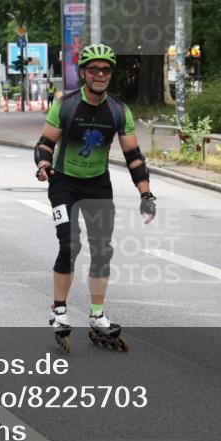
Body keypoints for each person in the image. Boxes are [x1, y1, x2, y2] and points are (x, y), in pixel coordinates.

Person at [34, 43, 157, 352]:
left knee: (103, 251)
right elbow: (45, 142)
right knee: (69, 244)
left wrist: (146, 194)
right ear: (83, 73)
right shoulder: (66, 105)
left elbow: (134, 156)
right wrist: (43, 163)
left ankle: (97, 316)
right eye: (94, 69)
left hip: (98, 185)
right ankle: (59, 312)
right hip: (64, 184)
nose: (100, 75)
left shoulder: (118, 111)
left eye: (105, 70)